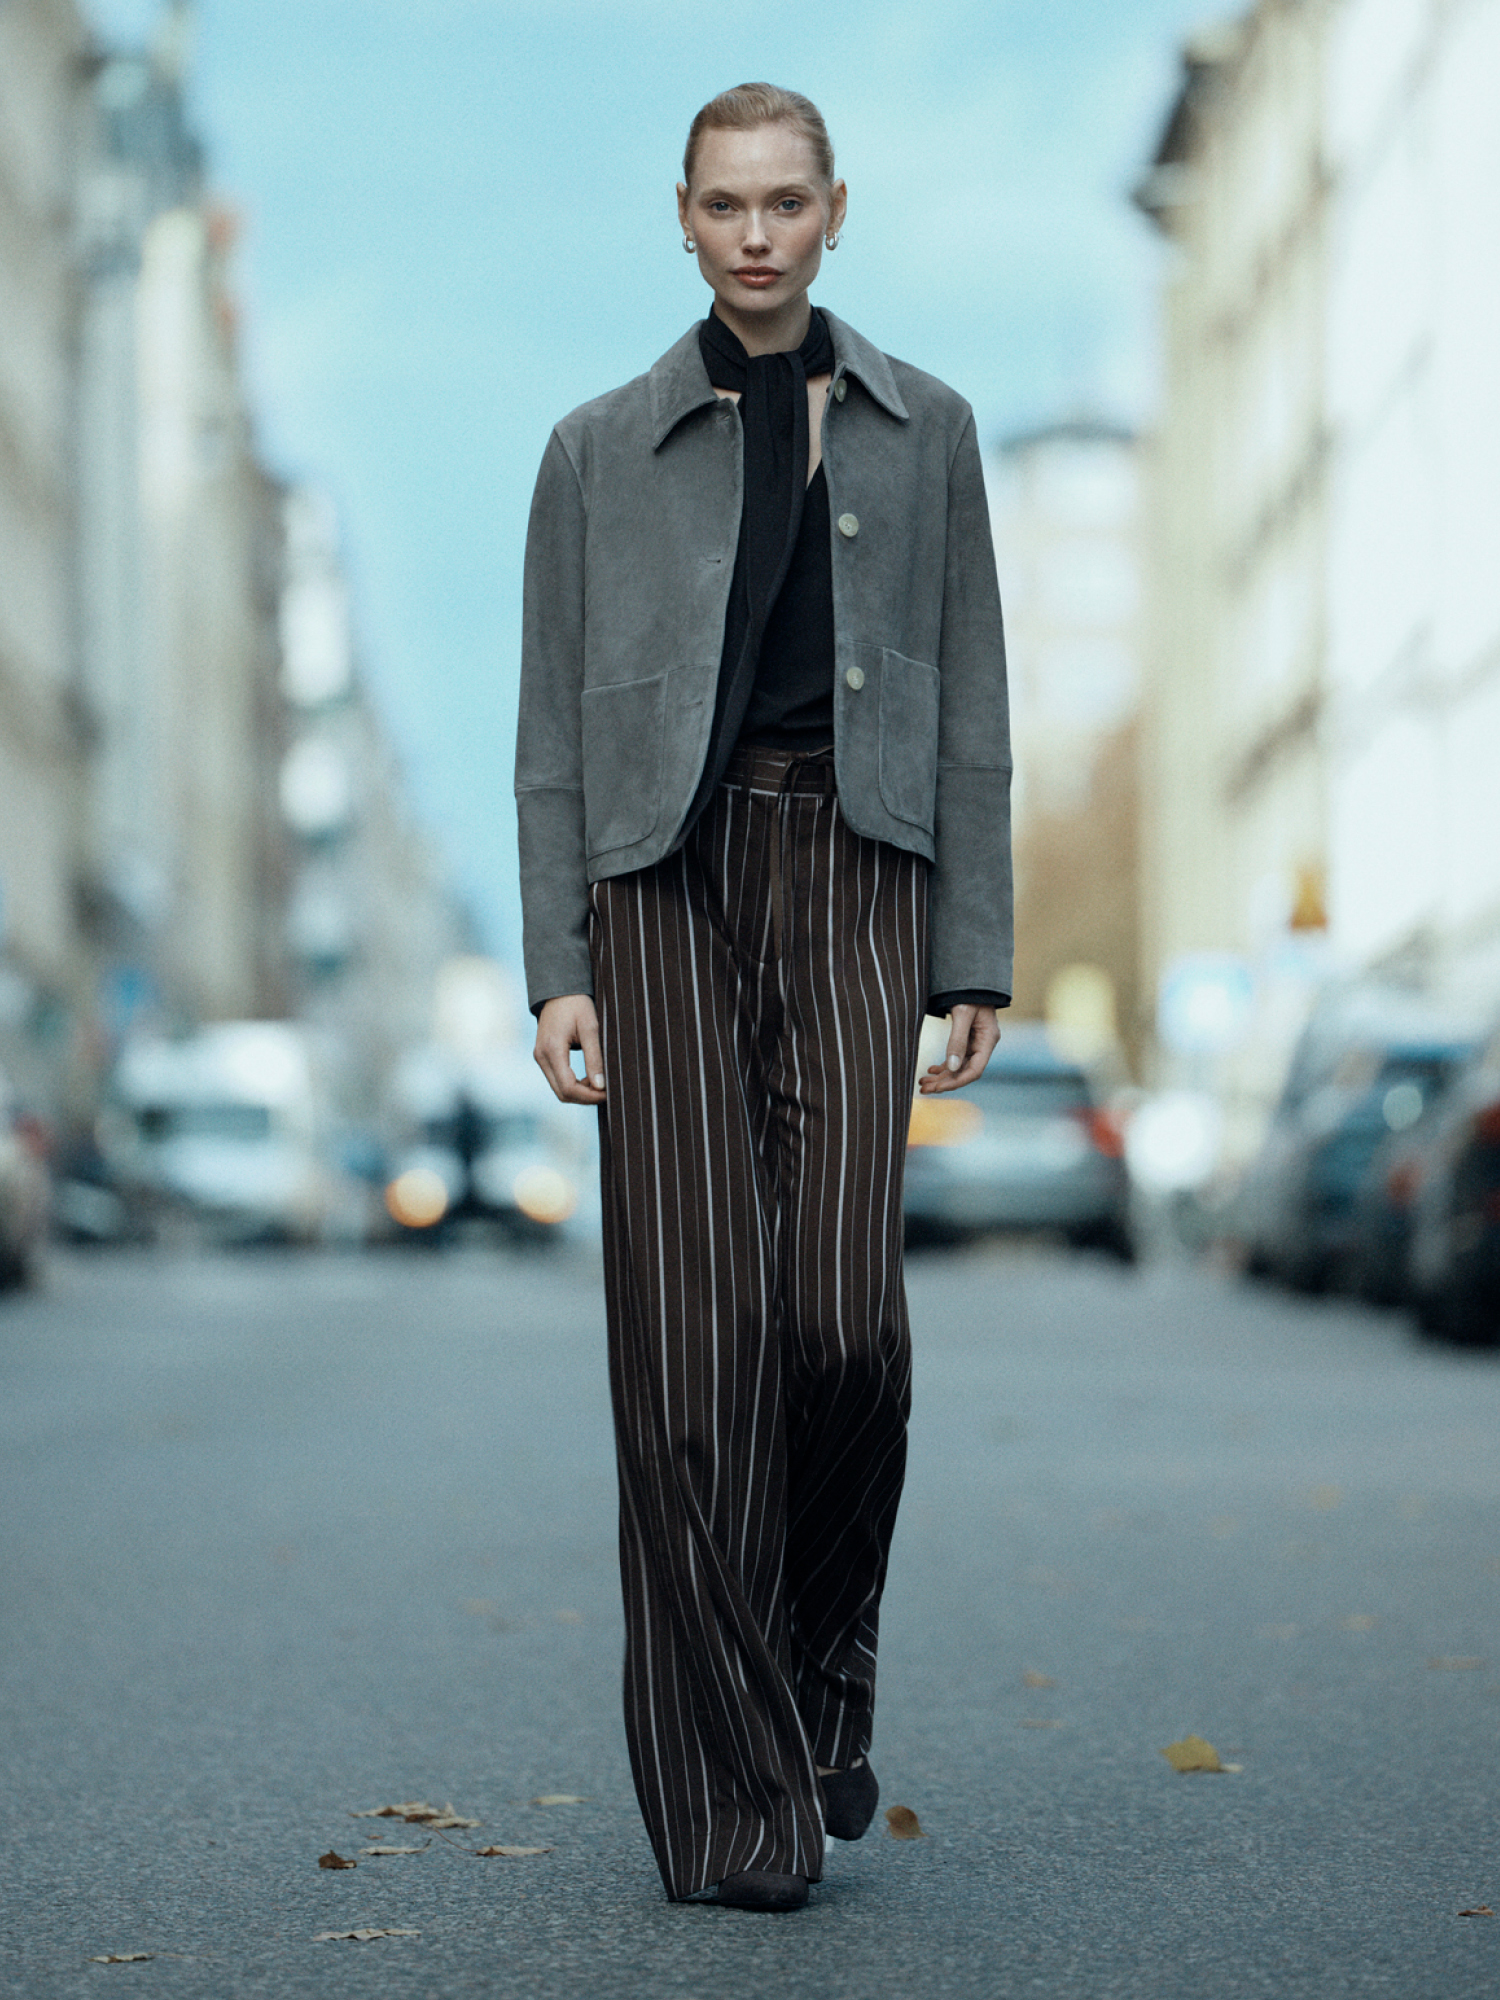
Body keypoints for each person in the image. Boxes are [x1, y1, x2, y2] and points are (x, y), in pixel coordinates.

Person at [515, 82, 1012, 1912]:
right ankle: (734, 1808)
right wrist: (557, 967)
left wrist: (977, 947)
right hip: (658, 887)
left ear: (833, 212)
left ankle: (820, 1681)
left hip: (858, 866)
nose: (753, 233)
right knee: (690, 1356)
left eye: (783, 202)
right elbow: (550, 739)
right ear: (682, 215)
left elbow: (972, 706)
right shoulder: (594, 449)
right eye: (723, 203)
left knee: (845, 1329)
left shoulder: (927, 429)